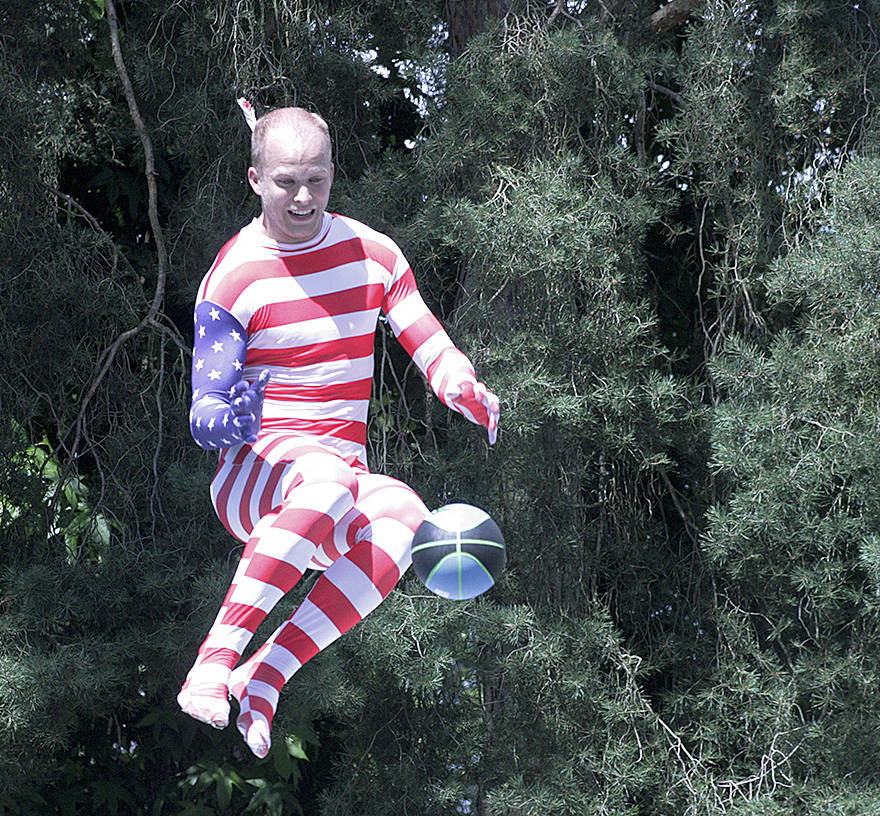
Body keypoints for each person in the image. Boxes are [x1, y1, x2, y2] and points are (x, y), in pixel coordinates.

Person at [177, 105, 500, 759]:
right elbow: (204, 408)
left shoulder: (372, 254)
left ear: (333, 175)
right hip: (254, 478)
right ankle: (213, 663)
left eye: (316, 181)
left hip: (336, 478)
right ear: (254, 180)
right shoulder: (235, 276)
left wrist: (459, 381)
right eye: (286, 182)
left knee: (406, 516)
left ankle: (263, 680)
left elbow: (423, 333)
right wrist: (224, 417)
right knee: (325, 481)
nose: (303, 197)